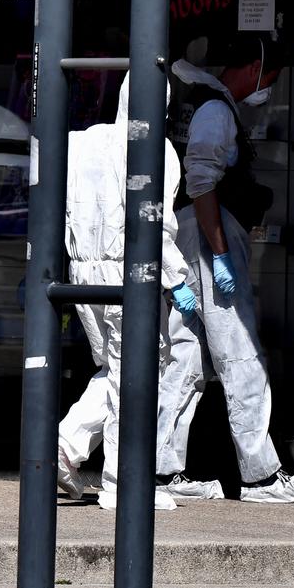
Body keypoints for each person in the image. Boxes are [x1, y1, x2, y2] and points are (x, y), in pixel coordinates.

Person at [155, 34, 294, 504]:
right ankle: (261, 476)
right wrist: (220, 255)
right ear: (253, 67)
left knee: (186, 354)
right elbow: (202, 184)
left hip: (190, 233)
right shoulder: (215, 111)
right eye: (269, 76)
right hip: (209, 235)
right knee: (241, 352)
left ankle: (162, 469)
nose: (269, 86)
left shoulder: (200, 102)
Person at [57, 77, 194, 511]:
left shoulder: (83, 142)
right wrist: (177, 278)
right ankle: (123, 482)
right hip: (129, 271)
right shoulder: (157, 149)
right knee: (135, 374)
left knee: (116, 368)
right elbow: (154, 221)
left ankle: (63, 447)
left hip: (83, 273)